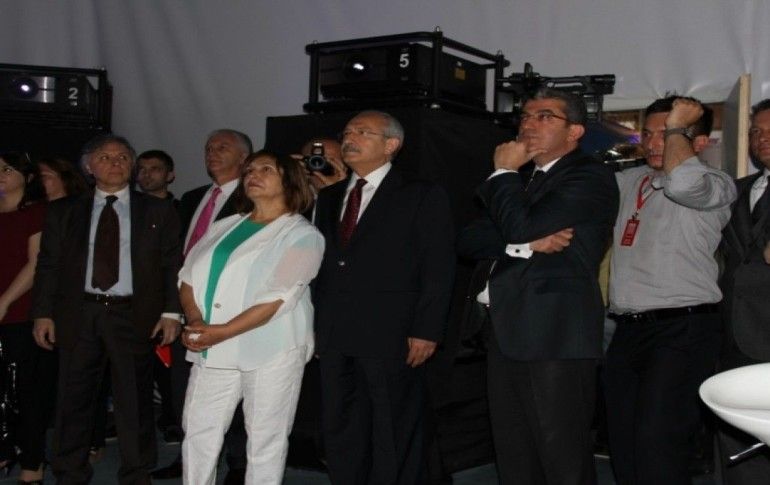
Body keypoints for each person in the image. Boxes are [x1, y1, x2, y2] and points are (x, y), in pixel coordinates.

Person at [457, 88, 619, 485]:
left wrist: (503, 174)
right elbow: (469, 240)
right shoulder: (523, 180)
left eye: (545, 116)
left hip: (553, 332)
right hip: (504, 329)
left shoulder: (588, 175)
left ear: (575, 130)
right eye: (526, 116)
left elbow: (519, 225)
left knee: (561, 455)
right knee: (514, 453)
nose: (528, 124)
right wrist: (525, 244)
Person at [313, 110, 455, 484]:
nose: (349, 138)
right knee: (341, 426)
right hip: (334, 332)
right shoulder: (327, 197)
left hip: (391, 332)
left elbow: (438, 267)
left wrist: (427, 329)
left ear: (391, 144)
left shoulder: (420, 194)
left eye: (362, 132)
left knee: (393, 428)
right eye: (347, 131)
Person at [30, 134, 182, 484]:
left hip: (133, 314)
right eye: (105, 157)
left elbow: (172, 263)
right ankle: (69, 472)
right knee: (73, 397)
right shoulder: (64, 210)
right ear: (88, 167)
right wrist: (42, 313)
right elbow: (48, 264)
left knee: (135, 399)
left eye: (123, 157)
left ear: (132, 166)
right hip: (79, 313)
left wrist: (172, 312)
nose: (115, 163)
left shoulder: (157, 210)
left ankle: (136, 473)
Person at [604, 96, 736, 485]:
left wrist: (679, 125)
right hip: (627, 330)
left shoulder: (715, 183)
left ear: (700, 142)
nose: (653, 143)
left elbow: (683, 184)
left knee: (658, 445)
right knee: (623, 445)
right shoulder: (628, 181)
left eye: (668, 134)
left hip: (683, 329)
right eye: (648, 134)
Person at [178, 150, 323, 484]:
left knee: (265, 438)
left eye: (266, 169)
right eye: (250, 170)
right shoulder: (224, 225)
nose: (253, 175)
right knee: (198, 431)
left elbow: (277, 299)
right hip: (212, 345)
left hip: (271, 349)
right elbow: (187, 277)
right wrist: (196, 320)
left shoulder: (303, 235)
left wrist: (222, 330)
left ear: (290, 181)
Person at [153, 128, 252, 482]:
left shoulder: (252, 197)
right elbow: (178, 254)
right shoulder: (193, 197)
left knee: (232, 388)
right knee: (184, 387)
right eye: (209, 147)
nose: (212, 152)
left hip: (230, 311)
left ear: (244, 157)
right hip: (186, 306)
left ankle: (238, 464)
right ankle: (189, 456)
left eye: (223, 147)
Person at [718, 98, 770, 484]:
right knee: (738, 444)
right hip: (732, 335)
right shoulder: (737, 190)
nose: (762, 138)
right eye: (756, 132)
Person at [0, 152, 47, 483]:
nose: (0, 175)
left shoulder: (36, 213)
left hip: (20, 312)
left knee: (25, 393)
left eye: (7, 169)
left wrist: (4, 301)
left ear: (27, 176)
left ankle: (32, 463)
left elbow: (36, 263)